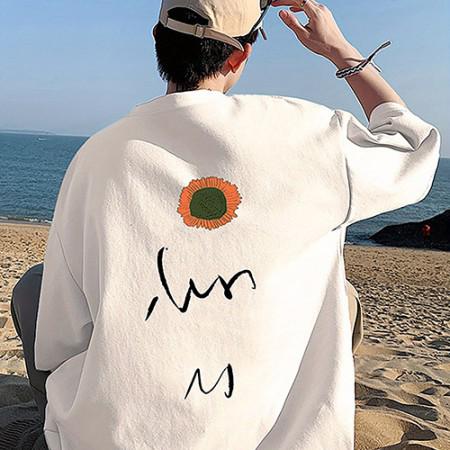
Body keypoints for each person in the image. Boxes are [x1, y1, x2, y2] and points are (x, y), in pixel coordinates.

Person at [8, 0, 441, 449]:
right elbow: (414, 146)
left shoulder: (98, 156)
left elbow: (63, 337)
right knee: (339, 297)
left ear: (157, 39)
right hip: (276, 437)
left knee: (37, 287)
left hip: (118, 439)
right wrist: (340, 50)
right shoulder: (309, 134)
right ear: (241, 55)